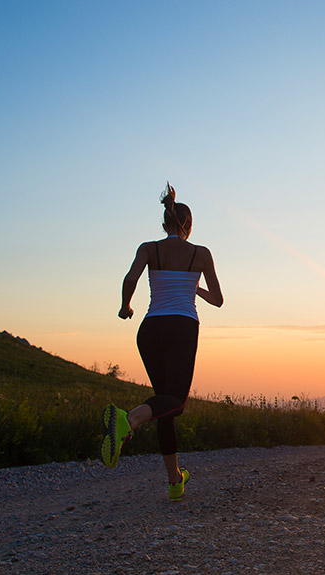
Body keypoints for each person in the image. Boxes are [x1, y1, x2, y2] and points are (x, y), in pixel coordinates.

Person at [101, 182, 223, 501]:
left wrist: (126, 306)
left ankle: (174, 482)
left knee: (165, 403)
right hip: (182, 327)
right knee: (176, 402)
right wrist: (192, 288)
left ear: (164, 223)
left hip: (150, 329)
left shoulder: (148, 248)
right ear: (189, 225)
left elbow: (131, 279)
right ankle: (127, 421)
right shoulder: (201, 254)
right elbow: (218, 300)